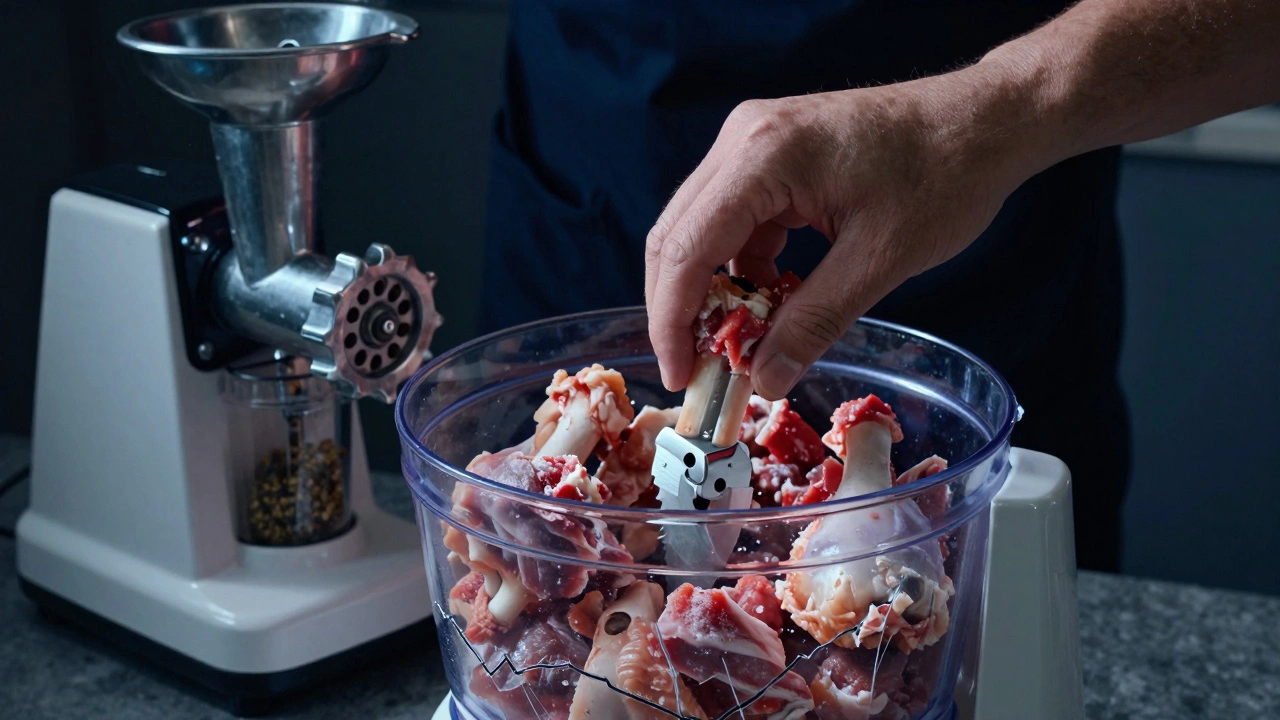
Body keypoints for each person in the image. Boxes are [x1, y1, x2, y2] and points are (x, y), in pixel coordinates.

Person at [478, 0, 1280, 573]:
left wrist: (982, 115)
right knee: (541, 567)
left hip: (982, 256)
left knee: (941, 621)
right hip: (592, 173)